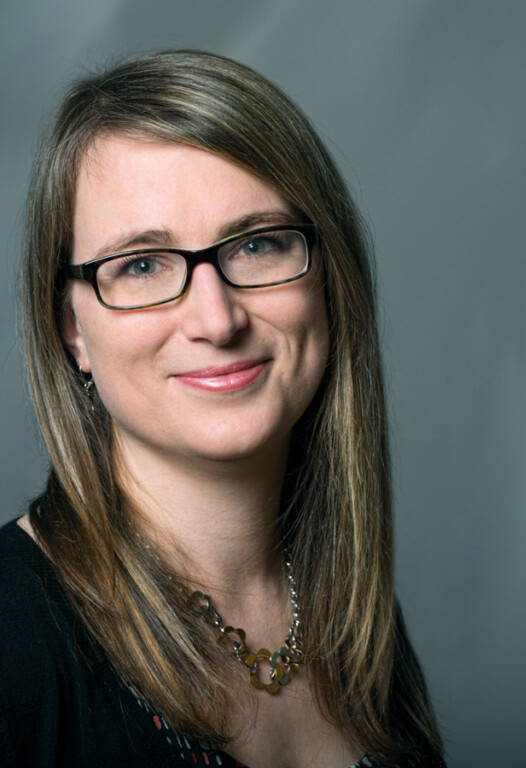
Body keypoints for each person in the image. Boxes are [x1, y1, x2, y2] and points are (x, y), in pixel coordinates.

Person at [1, 50, 445, 767]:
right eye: (141, 264)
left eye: (258, 244)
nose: (216, 317)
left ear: (328, 280)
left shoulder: (355, 620)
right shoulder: (12, 640)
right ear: (73, 331)